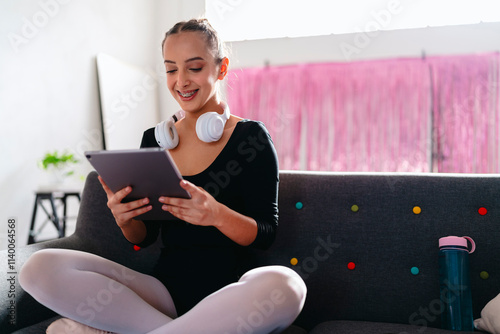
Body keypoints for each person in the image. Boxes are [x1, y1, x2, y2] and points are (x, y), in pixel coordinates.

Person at [19, 18, 307, 334]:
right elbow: (145, 237)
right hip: (162, 294)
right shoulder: (155, 141)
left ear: (221, 68)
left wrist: (215, 214)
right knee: (36, 268)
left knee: (288, 285)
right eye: (171, 69)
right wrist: (125, 219)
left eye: (194, 68)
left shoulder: (250, 137)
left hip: (230, 296)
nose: (181, 81)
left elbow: (265, 233)